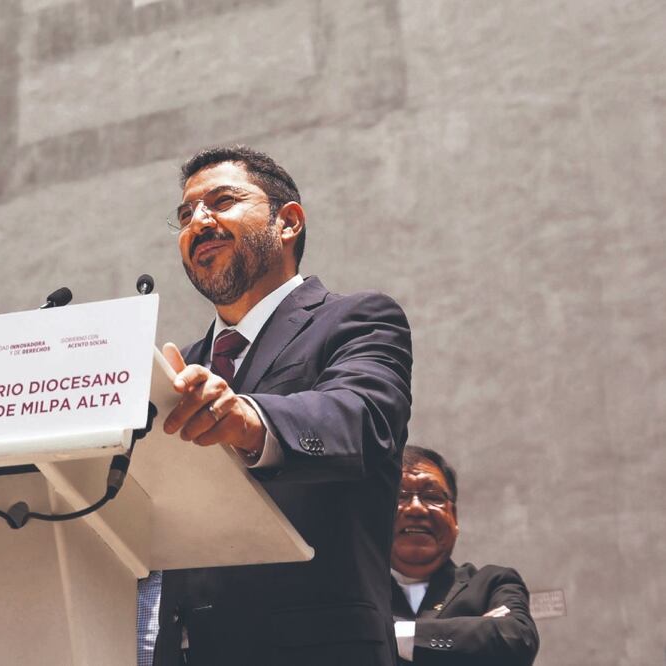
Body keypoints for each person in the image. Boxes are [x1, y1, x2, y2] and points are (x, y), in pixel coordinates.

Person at [153, 145, 413, 665]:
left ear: (288, 221)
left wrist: (250, 419)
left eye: (222, 201)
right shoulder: (179, 373)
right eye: (184, 215)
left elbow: (360, 420)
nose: (198, 222)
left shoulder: (357, 319)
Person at [391, 446, 540, 664]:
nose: (416, 508)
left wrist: (390, 635)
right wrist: (474, 636)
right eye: (399, 496)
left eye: (432, 496)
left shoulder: (492, 584)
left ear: (454, 517)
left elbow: (516, 639)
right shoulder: (353, 591)